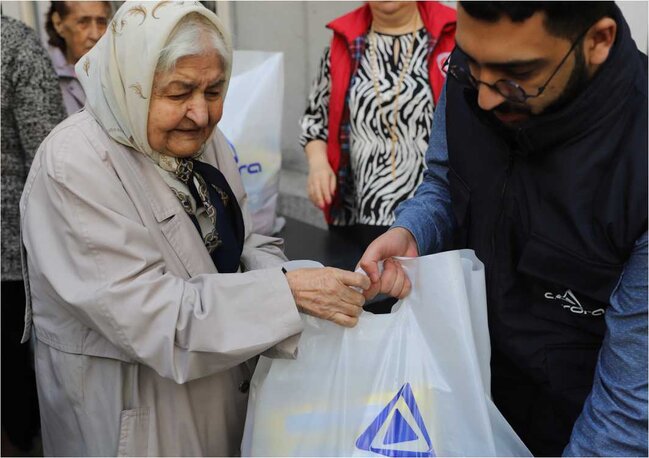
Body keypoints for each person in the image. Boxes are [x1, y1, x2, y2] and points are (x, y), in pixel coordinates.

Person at [20, 2, 370, 456]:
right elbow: (153, 318)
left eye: (214, 90)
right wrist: (288, 293)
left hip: (220, 398)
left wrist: (313, 288)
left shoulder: (203, 139)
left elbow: (247, 239)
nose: (201, 114)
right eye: (180, 91)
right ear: (131, 82)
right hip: (134, 421)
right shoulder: (74, 164)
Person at [360, 1, 647, 456]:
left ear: (598, 41)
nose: (486, 99)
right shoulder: (477, 72)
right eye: (472, 64)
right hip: (466, 390)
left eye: (518, 75)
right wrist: (413, 232)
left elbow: (626, 412)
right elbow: (444, 181)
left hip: (576, 424)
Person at [300, 1, 455, 259]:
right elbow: (315, 120)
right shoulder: (343, 41)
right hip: (359, 211)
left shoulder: (452, 36)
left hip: (430, 212)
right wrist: (318, 164)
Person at [1, 15, 66, 453]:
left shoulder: (14, 46)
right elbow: (51, 161)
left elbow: (47, 158)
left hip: (10, 256)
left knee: (14, 384)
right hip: (12, 254)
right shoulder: (16, 44)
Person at [45, 1, 111, 115]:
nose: (95, 35)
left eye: (101, 22)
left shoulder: (117, 70)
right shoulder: (41, 74)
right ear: (58, 23)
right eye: (83, 22)